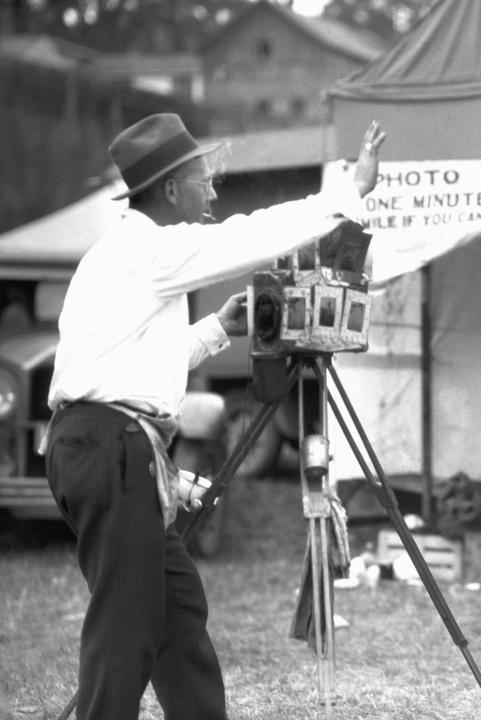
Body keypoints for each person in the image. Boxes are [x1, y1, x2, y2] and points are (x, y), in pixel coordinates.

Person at [43, 113, 386, 720]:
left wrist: (216, 329)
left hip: (109, 443)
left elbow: (138, 366)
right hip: (109, 447)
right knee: (127, 628)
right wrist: (345, 195)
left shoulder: (132, 259)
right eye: (204, 180)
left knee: (177, 616)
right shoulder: (146, 248)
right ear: (172, 188)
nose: (213, 192)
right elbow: (242, 238)